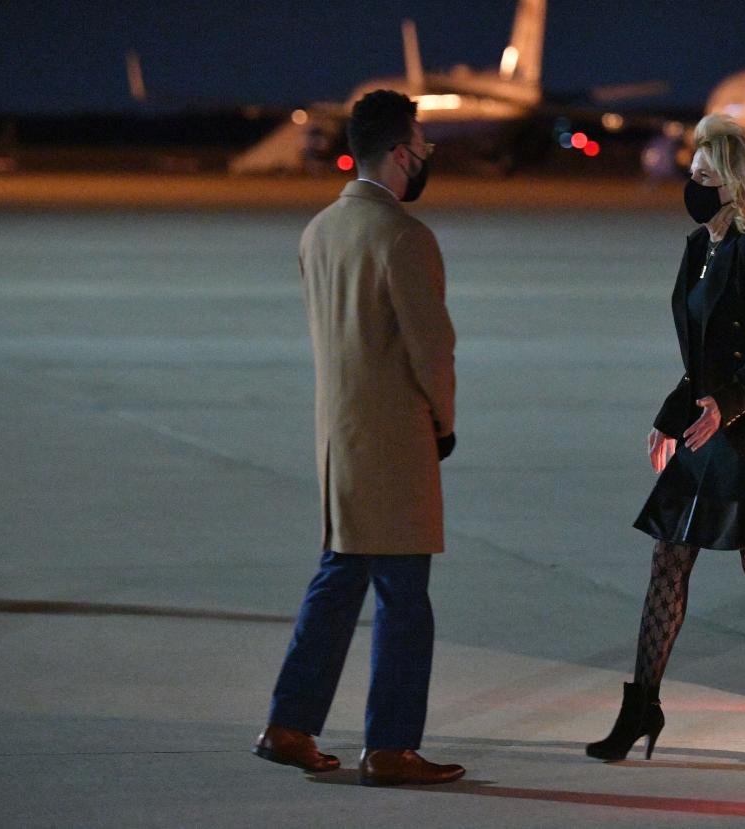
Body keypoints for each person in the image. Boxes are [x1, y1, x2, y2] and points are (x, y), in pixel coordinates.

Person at [586, 113, 745, 765]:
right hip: (707, 423)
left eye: (706, 175)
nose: (693, 184)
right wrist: (671, 415)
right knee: (669, 558)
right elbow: (699, 355)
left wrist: (724, 407)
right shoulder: (697, 248)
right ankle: (642, 706)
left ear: (735, 184)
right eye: (692, 173)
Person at [252, 89, 464, 787]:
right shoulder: (403, 236)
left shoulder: (319, 231)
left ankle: (289, 723)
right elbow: (431, 348)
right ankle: (392, 745)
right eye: (423, 146)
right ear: (401, 152)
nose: (426, 157)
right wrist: (445, 419)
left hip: (338, 437)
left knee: (339, 581)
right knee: (405, 597)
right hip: (396, 438)